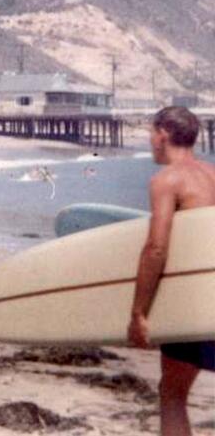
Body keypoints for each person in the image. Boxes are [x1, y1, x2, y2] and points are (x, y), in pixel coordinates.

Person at [127, 106, 215, 436]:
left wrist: (139, 313)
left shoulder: (166, 180)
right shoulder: (213, 174)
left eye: (151, 133)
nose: (149, 141)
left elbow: (157, 248)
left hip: (196, 303)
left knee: (172, 394)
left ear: (163, 134)